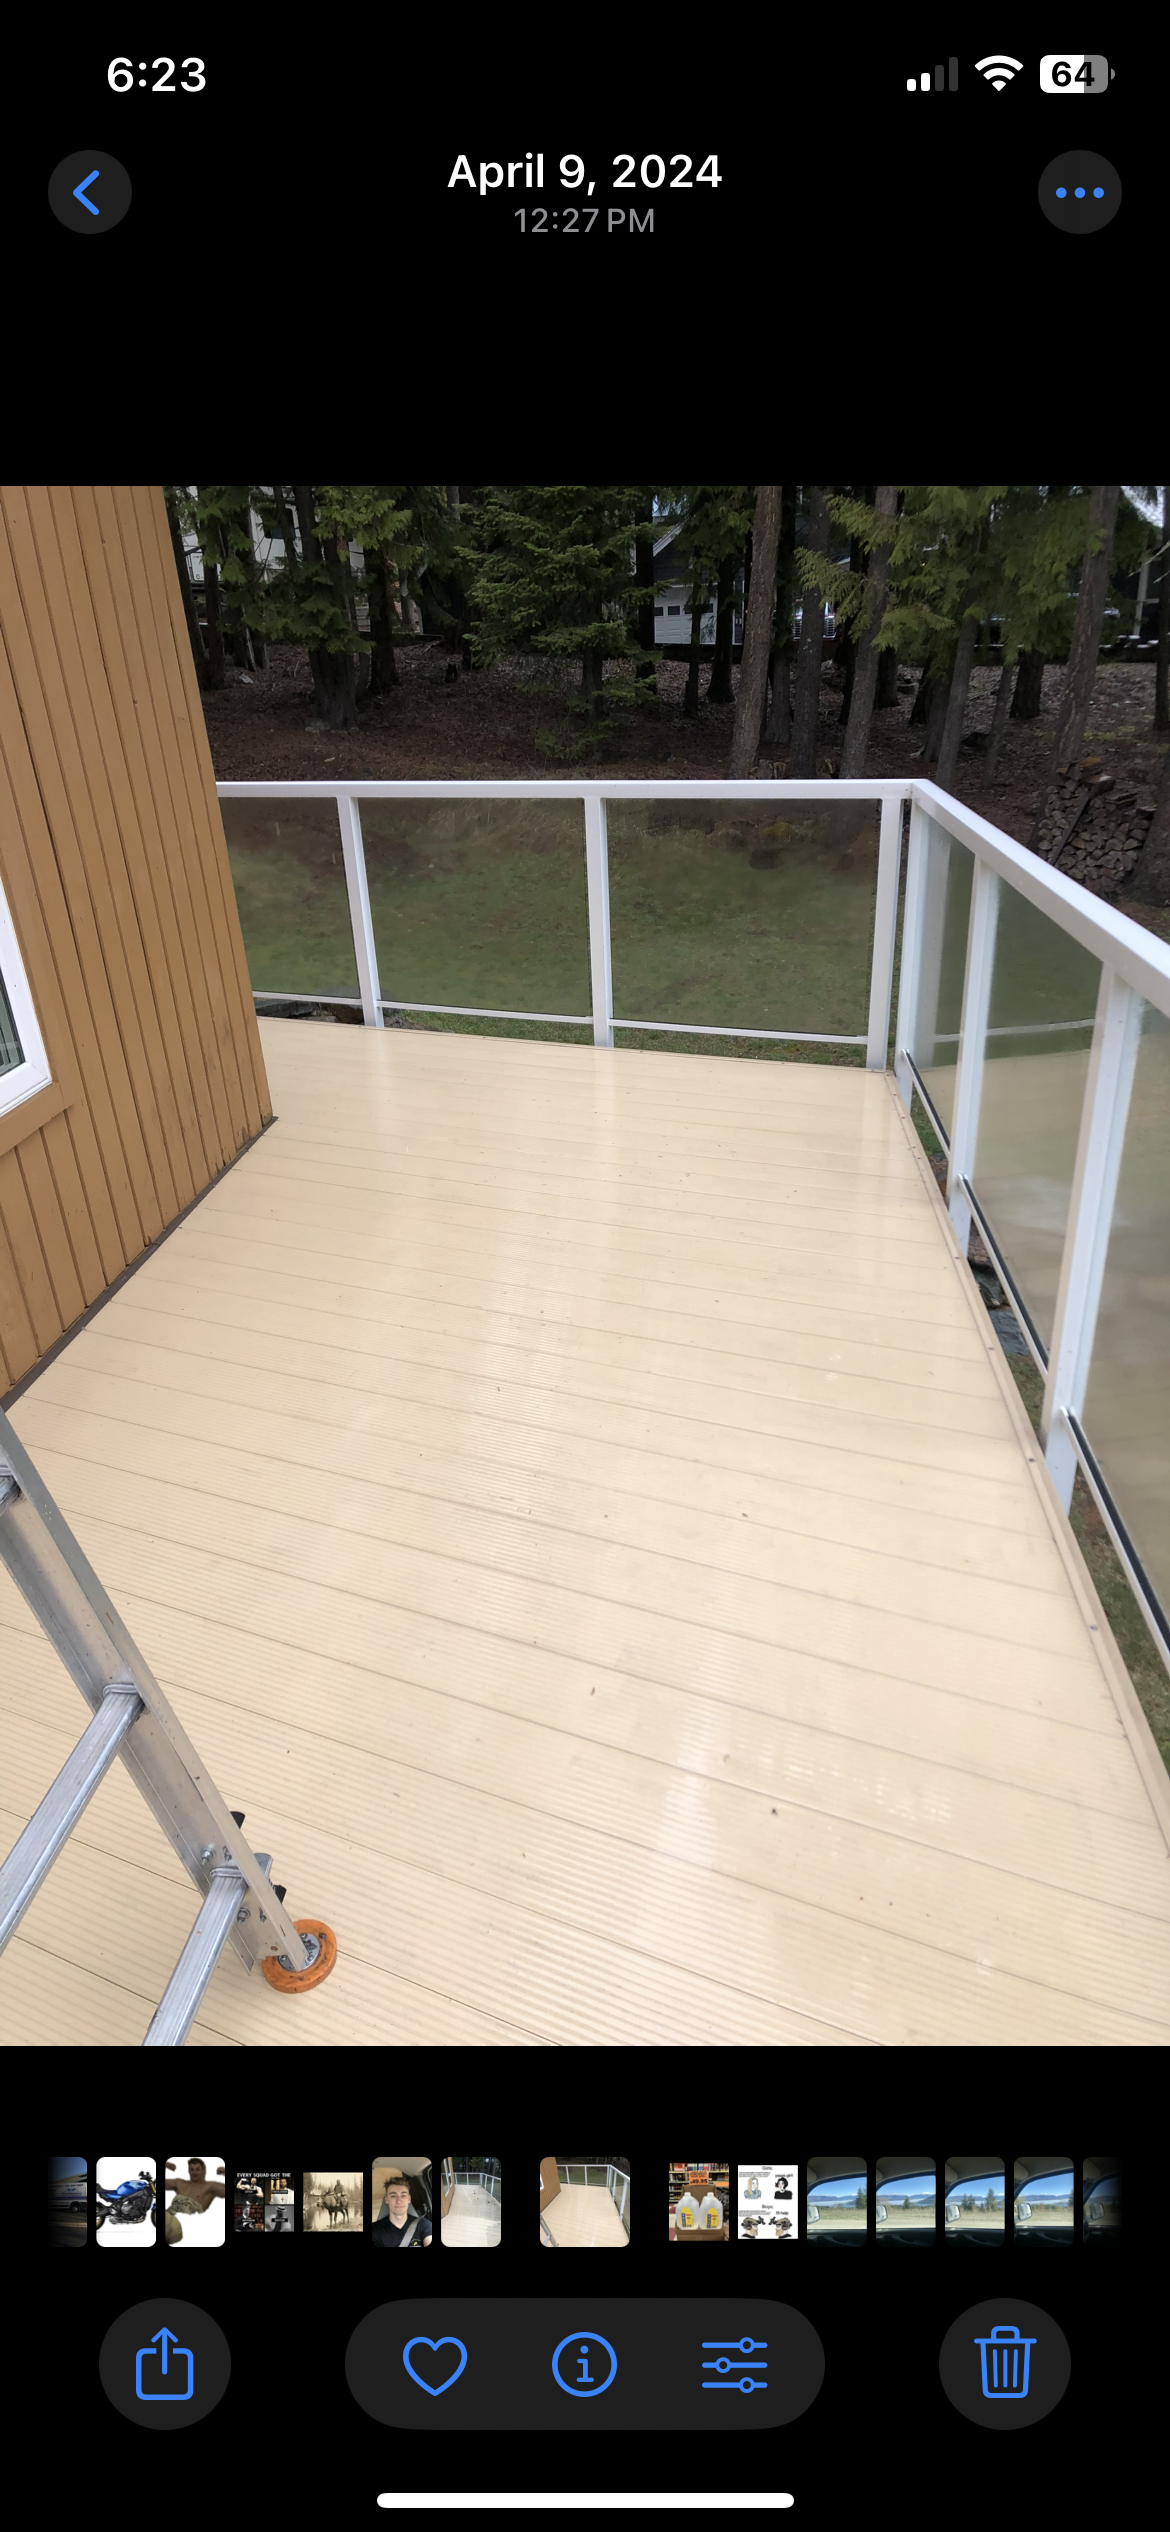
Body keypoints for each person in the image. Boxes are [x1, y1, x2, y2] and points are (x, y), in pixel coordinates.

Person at [371, 2176, 432, 2247]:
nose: (399, 2201)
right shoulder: (375, 2230)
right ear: (386, 2199)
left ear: (409, 2199)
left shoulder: (423, 2225)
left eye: (403, 2195)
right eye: (393, 2196)